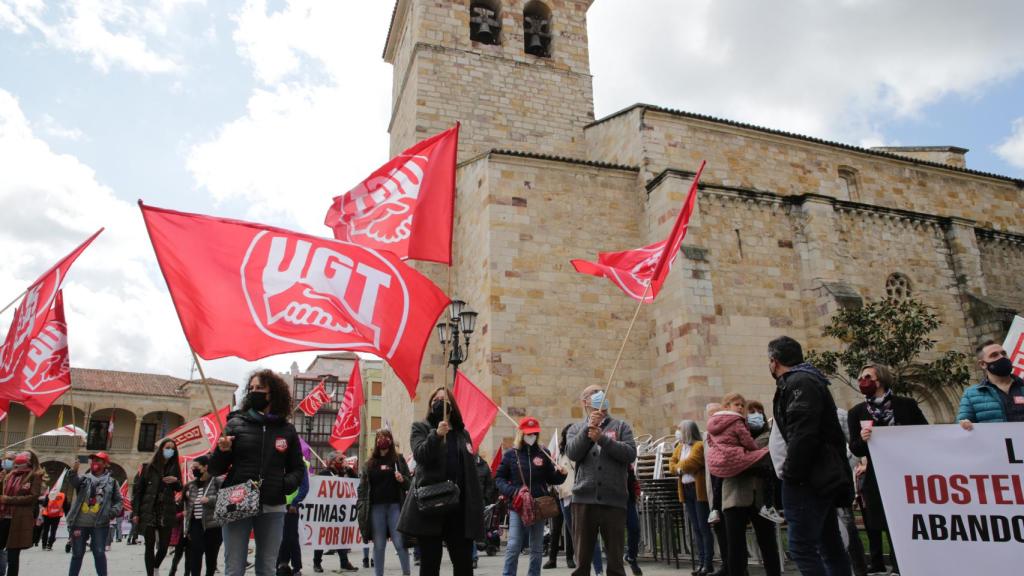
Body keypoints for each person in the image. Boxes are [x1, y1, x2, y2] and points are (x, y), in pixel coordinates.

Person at [768, 335, 852, 576]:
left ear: (774, 361)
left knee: (802, 547)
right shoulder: (805, 380)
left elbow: (803, 433)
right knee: (829, 543)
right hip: (817, 474)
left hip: (808, 477)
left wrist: (792, 473)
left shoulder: (799, 383)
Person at [210, 369, 305, 576]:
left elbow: (298, 469)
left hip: (273, 504)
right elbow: (215, 469)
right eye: (251, 388)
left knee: (266, 568)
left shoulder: (287, 430)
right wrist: (221, 451)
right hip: (237, 500)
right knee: (234, 567)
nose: (255, 392)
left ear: (274, 393)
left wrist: (282, 484)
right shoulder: (235, 424)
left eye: (260, 388)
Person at [848, 363, 927, 575]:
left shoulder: (906, 405)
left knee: (908, 519)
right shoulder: (857, 412)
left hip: (907, 471)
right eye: (860, 378)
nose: (861, 381)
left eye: (867, 377)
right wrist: (863, 440)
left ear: (880, 380)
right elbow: (855, 447)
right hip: (877, 475)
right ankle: (890, 564)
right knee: (883, 520)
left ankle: (908, 563)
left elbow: (925, 433)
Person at [397, 386, 484, 576]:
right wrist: (436, 435)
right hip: (431, 505)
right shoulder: (420, 428)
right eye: (435, 400)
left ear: (452, 406)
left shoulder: (462, 434)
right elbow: (421, 455)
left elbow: (469, 471)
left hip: (458, 508)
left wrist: (477, 503)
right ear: (430, 405)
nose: (439, 403)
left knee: (463, 564)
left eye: (444, 400)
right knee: (430, 564)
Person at [566, 386, 637, 576]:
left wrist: (603, 439)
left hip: (614, 501)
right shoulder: (575, 428)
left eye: (601, 391)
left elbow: (630, 454)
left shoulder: (621, 426)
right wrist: (588, 430)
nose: (599, 395)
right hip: (583, 501)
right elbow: (573, 452)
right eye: (593, 393)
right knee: (582, 561)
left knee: (615, 562)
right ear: (585, 403)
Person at [707, 394, 781, 576]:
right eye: (751, 411)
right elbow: (724, 460)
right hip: (734, 495)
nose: (755, 415)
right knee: (735, 546)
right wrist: (744, 458)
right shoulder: (731, 430)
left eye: (759, 411)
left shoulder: (767, 434)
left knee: (768, 542)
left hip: (760, 497)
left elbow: (765, 460)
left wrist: (739, 459)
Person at [495, 417, 567, 576]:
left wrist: (562, 475)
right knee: (513, 545)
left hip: (539, 506)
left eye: (534, 433)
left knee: (537, 547)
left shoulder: (544, 454)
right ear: (521, 434)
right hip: (517, 505)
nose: (531, 436)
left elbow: (551, 478)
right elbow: (498, 479)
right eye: (528, 433)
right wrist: (513, 491)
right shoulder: (510, 455)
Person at [358, 429, 413, 576]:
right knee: (379, 545)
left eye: (386, 437)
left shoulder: (398, 460)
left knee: (399, 542)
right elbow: (362, 488)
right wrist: (361, 506)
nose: (382, 440)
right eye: (379, 437)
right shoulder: (369, 464)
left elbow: (410, 483)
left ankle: (406, 573)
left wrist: (403, 480)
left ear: (390, 440)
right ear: (376, 441)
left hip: (395, 506)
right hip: (376, 508)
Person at [554, 425, 603, 575]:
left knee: (590, 537)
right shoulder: (561, 454)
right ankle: (582, 569)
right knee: (577, 538)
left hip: (580, 497)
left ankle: (599, 570)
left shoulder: (581, 451)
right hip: (565, 499)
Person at [669, 420, 714, 576]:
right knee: (696, 528)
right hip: (686, 491)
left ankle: (708, 563)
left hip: (698, 491)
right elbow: (671, 465)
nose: (678, 432)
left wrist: (679, 468)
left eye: (680, 429)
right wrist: (679, 468)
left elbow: (693, 463)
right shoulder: (680, 447)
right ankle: (701, 562)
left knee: (703, 528)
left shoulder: (699, 446)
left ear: (688, 431)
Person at [67, 451, 123, 576]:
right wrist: (73, 471)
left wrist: (112, 512)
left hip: (100, 524)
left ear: (105, 464)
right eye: (93, 460)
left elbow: (119, 501)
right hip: (79, 523)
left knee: (99, 553)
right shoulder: (84, 478)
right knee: (77, 554)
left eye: (98, 461)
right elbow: (74, 482)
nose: (94, 463)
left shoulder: (112, 482)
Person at [134, 439, 183, 576]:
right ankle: (150, 573)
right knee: (149, 546)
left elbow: (180, 487)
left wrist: (175, 482)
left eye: (172, 449)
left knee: (164, 546)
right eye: (167, 447)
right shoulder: (147, 467)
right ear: (161, 449)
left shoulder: (174, 467)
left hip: (166, 510)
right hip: (149, 509)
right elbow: (138, 492)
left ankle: (155, 566)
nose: (170, 450)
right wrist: (136, 513)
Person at [958, 339, 1024, 429]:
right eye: (994, 355)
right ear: (982, 364)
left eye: (1004, 353)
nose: (1002, 357)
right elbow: (961, 425)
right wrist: (964, 424)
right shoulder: (971, 395)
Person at [0, 451, 43, 576]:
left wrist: (10, 500)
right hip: (4, 517)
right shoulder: (10, 475)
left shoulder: (34, 476)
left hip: (19, 519)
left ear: (30, 460)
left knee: (13, 555)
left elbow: (33, 497)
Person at [315, 453, 359, 573]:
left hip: (340, 512)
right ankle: (316, 563)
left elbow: (357, 482)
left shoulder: (344, 474)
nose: (343, 462)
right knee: (320, 537)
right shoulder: (324, 474)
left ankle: (344, 563)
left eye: (344, 459)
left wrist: (349, 469)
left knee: (340, 536)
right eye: (340, 459)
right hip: (326, 511)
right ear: (332, 461)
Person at [183, 455, 223, 576]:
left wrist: (210, 500)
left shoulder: (216, 481)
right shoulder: (191, 485)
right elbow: (189, 506)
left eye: (196, 467)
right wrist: (188, 528)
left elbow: (224, 498)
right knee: (195, 555)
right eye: (192, 467)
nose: (194, 469)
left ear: (205, 467)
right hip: (196, 524)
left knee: (211, 556)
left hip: (213, 525)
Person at [276, 457, 309, 576]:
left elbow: (305, 487)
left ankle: (295, 568)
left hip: (290, 507)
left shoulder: (301, 464)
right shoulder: (276, 459)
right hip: (275, 504)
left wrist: (295, 503)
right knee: (278, 538)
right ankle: (280, 565)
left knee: (291, 538)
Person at [473, 449, 496, 570]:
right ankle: (473, 556)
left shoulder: (483, 465)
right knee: (470, 528)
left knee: (480, 526)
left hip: (481, 501)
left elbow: (489, 484)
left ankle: (482, 544)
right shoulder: (463, 461)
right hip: (467, 501)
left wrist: (486, 498)